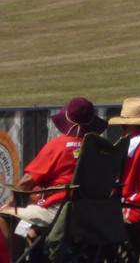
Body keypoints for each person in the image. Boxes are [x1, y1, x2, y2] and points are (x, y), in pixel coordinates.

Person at [0, 97, 107, 254]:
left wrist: (10, 203)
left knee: (4, 215)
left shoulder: (58, 146)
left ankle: (17, 259)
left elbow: (26, 182)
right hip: (95, 213)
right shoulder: (101, 148)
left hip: (61, 212)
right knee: (29, 224)